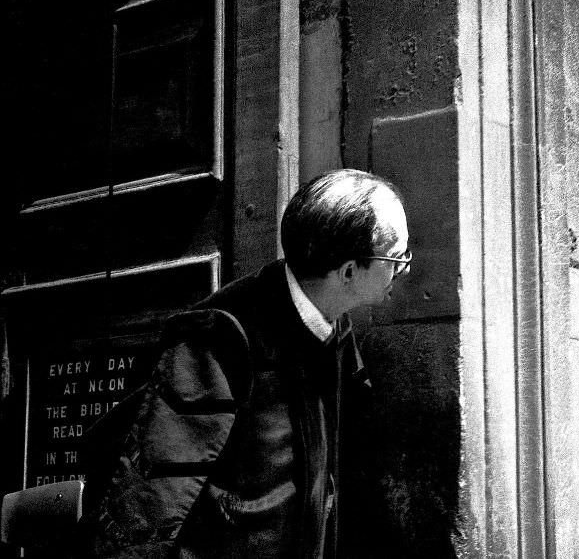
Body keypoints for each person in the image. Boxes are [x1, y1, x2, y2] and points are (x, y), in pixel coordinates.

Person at [81, 169, 411, 558]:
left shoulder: (333, 323)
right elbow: (147, 505)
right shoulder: (219, 339)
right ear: (349, 272)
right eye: (397, 256)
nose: (406, 267)